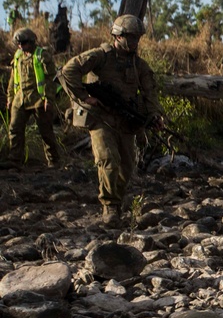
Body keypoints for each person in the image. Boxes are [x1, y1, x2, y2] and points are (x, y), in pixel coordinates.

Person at [61, 14, 163, 225]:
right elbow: (68, 70)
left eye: (137, 38)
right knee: (108, 159)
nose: (135, 42)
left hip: (125, 121)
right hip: (101, 119)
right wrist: (84, 97)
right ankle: (110, 207)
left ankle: (117, 201)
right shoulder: (101, 56)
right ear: (118, 36)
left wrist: (154, 116)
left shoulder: (139, 65)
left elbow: (150, 92)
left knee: (127, 165)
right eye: (131, 37)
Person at [6, 27, 61, 167]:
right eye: (19, 44)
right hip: (21, 98)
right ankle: (14, 161)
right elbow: (13, 79)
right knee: (15, 129)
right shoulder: (18, 56)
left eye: (24, 43)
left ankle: (54, 162)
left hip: (39, 99)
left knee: (46, 132)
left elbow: (50, 79)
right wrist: (10, 98)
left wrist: (48, 99)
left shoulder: (42, 55)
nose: (21, 46)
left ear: (31, 41)